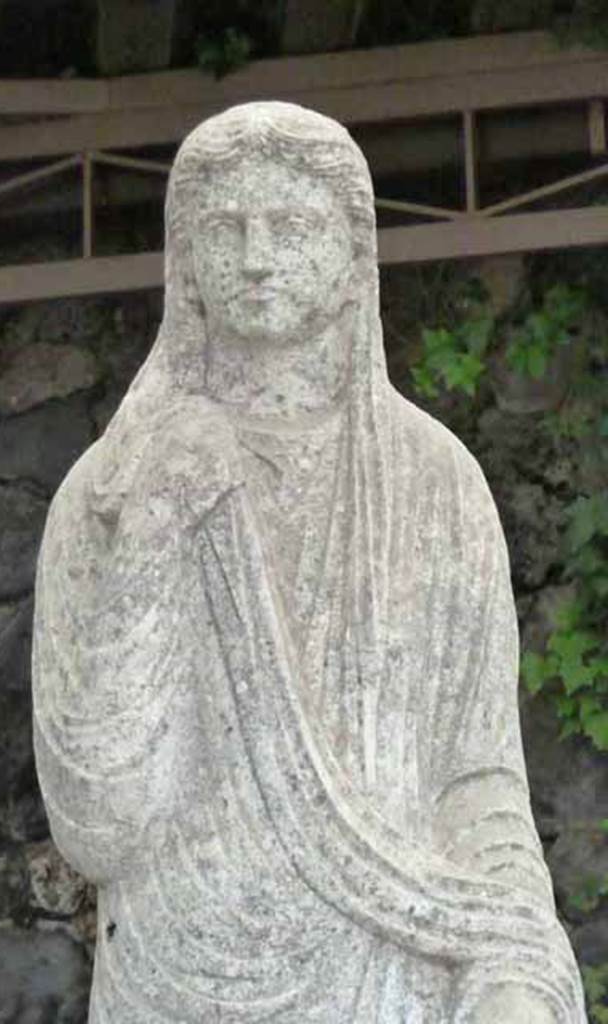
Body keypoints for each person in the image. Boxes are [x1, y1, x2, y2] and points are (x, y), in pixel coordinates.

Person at [32, 102, 585, 1023]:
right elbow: (99, 824)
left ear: (352, 253)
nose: (256, 256)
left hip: (389, 970)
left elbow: (476, 782)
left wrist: (510, 970)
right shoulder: (109, 490)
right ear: (186, 262)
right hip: (170, 976)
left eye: (289, 225)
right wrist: (153, 533)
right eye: (226, 229)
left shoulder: (436, 485)